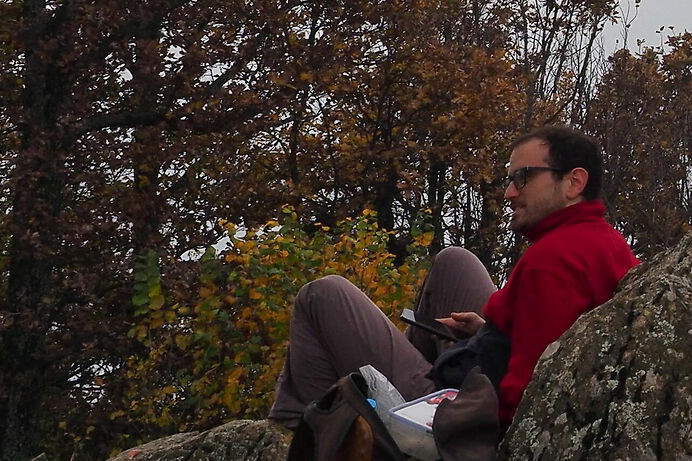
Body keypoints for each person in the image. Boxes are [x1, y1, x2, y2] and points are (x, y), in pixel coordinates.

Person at [267, 125, 640, 431]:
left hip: (458, 413)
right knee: (453, 261)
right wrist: (488, 331)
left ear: (574, 182)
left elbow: (527, 397)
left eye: (523, 177)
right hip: (480, 368)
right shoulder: (605, 242)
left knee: (322, 295)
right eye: (509, 179)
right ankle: (403, 368)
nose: (509, 192)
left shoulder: (553, 261)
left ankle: (295, 441)